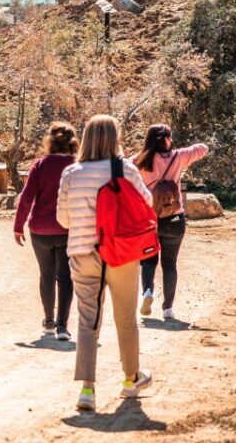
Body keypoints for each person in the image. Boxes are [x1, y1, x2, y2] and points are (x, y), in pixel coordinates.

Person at [57, 115, 153, 412]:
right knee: (125, 318)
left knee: (88, 321)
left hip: (83, 254)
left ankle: (87, 390)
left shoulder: (71, 173)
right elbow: (147, 203)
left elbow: (63, 219)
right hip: (121, 253)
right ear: (115, 138)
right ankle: (131, 379)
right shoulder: (125, 169)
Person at [133, 124, 208, 320]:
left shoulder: (138, 160)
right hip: (174, 218)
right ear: (167, 139)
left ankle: (147, 291)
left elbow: (121, 168)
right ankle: (168, 308)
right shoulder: (179, 156)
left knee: (148, 261)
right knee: (170, 264)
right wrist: (179, 151)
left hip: (148, 219)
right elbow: (203, 148)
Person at [14, 122, 79, 340]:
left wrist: (18, 225)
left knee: (46, 275)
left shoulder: (40, 165)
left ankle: (48, 322)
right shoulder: (77, 166)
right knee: (65, 277)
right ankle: (62, 326)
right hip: (67, 229)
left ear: (50, 141)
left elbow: (26, 197)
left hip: (40, 230)